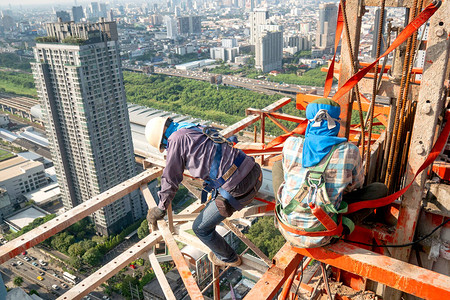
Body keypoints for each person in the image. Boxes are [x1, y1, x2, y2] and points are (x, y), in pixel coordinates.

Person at [145, 117, 262, 267]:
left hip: (238, 188)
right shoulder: (194, 128)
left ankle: (230, 258)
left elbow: (170, 178)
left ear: (163, 139)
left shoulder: (175, 139)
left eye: (164, 146)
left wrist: (160, 208)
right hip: (255, 172)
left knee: (200, 228)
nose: (166, 148)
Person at [272, 98, 388, 248]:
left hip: (287, 228)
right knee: (380, 189)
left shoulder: (291, 143)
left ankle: (280, 212)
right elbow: (357, 185)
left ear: (309, 121)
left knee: (277, 166)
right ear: (336, 122)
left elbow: (288, 174)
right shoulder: (349, 151)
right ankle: (345, 226)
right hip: (325, 235)